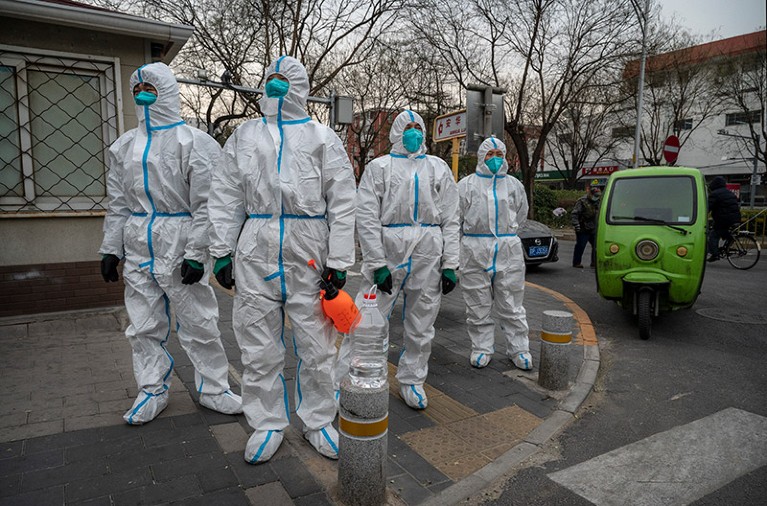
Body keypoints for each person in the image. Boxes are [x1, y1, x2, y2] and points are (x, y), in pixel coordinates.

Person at [208, 56, 356, 464]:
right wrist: (221, 250)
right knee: (256, 340)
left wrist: (340, 258)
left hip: (309, 245)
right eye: (270, 79)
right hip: (256, 242)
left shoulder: (322, 137)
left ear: (300, 86)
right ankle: (267, 422)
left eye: (283, 80)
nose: (275, 86)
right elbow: (225, 194)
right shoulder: (244, 136)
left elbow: (343, 202)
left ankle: (318, 420)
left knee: (317, 342)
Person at [99, 62, 242, 425]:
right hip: (138, 246)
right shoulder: (124, 147)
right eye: (137, 89)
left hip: (180, 243)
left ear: (167, 92)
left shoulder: (195, 143)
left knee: (198, 322)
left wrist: (196, 253)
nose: (143, 94)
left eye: (151, 87)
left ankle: (214, 388)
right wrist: (111, 248)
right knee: (143, 324)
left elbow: (207, 204)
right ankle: (151, 390)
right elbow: (118, 203)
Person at [335, 109, 460, 410]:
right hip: (389, 248)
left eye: (419, 127)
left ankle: (412, 380)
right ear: (397, 132)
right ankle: (346, 379)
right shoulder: (380, 168)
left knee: (422, 321)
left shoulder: (438, 167)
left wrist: (451, 263)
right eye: (409, 127)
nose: (414, 132)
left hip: (429, 250)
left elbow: (452, 218)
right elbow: (365, 217)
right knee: (366, 321)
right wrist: (377, 263)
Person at [458, 137, 532, 370]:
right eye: (490, 154)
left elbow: (521, 215)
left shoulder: (513, 185)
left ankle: (519, 349)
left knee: (511, 302)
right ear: (481, 157)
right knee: (477, 302)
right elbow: (455, 218)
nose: (495, 158)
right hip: (474, 248)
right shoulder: (467, 185)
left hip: (507, 248)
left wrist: (506, 235)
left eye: (499, 154)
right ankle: (481, 347)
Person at [707, 176, 741, 261]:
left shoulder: (715, 194)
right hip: (735, 218)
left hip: (724, 219)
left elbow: (707, 207)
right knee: (722, 231)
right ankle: (730, 239)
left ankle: (715, 254)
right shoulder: (730, 193)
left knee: (713, 235)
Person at [571, 179, 603, 268]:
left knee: (596, 246)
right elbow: (575, 214)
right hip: (583, 227)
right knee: (580, 246)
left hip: (593, 228)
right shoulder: (582, 201)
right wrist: (576, 224)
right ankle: (576, 262)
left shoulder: (598, 202)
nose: (596, 197)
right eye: (595, 196)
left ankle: (594, 262)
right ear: (591, 194)